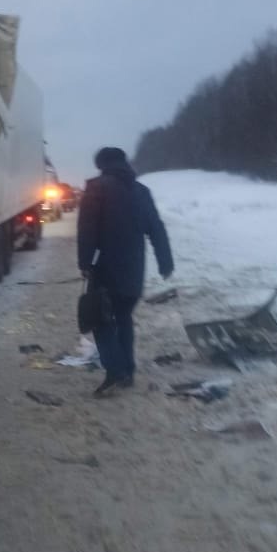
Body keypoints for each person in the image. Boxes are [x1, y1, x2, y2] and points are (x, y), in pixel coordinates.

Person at [77, 147, 173, 396]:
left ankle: (116, 370)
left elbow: (87, 230)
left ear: (102, 165)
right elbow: (156, 228)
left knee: (100, 319)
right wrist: (165, 261)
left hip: (106, 269)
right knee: (123, 318)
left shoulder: (97, 188)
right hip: (133, 270)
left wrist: (85, 262)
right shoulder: (142, 191)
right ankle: (128, 371)